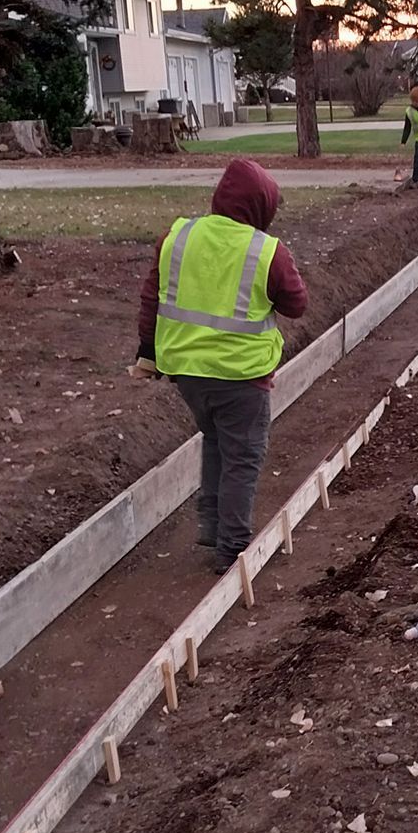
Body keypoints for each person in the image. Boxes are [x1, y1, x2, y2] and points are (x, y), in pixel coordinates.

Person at [131, 157, 308, 571]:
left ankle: (211, 527)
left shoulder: (179, 234)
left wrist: (147, 353)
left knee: (215, 442)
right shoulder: (266, 250)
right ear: (261, 206)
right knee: (243, 457)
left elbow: (150, 296)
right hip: (240, 376)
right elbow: (297, 305)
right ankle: (233, 550)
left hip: (188, 373)